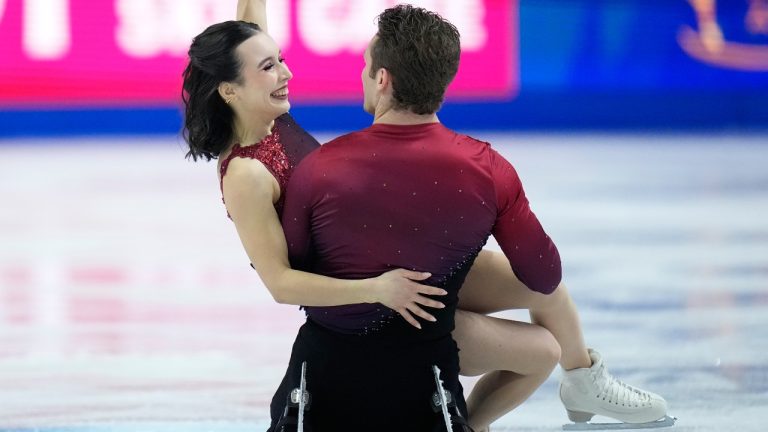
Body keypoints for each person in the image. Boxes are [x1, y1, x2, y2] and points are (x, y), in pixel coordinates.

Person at [181, 1, 669, 431]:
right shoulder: (246, 173)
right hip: (362, 300)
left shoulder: (270, 115)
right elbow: (282, 284)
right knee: (543, 347)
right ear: (230, 90)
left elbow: (249, 23)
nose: (286, 73)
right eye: (269, 66)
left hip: (386, 253)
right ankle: (466, 426)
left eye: (280, 59)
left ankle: (584, 381)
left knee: (545, 288)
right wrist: (378, 288)